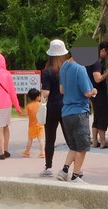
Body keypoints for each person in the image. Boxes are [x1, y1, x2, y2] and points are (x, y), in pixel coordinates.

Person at [56, 43, 97, 183]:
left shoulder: (64, 66)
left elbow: (61, 90)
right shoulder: (80, 68)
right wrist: (94, 91)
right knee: (82, 147)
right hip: (79, 112)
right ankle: (76, 175)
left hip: (66, 112)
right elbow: (87, 92)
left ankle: (64, 171)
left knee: (73, 146)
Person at [40, 40, 69, 176]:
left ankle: (48, 167)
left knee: (50, 138)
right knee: (70, 138)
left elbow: (46, 93)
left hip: (52, 107)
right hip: (67, 106)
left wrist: (41, 94)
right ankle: (73, 166)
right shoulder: (68, 69)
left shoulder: (47, 71)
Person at [87, 41, 108, 149]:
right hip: (99, 92)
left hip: (92, 91)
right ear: (103, 50)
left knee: (97, 116)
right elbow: (97, 78)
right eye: (107, 53)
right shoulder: (96, 62)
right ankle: (103, 141)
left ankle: (95, 141)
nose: (107, 55)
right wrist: (107, 73)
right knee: (103, 116)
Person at [23, 88, 45, 158]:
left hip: (32, 126)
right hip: (40, 125)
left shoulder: (28, 106)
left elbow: (25, 114)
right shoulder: (41, 105)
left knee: (30, 139)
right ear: (37, 97)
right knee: (41, 139)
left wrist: (20, 113)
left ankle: (27, 152)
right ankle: (42, 152)